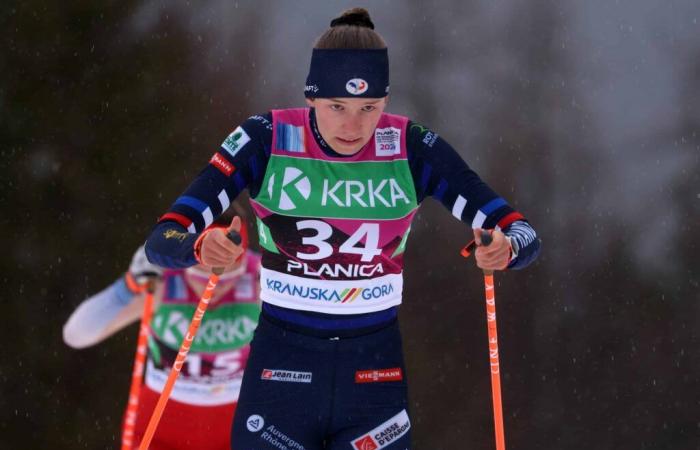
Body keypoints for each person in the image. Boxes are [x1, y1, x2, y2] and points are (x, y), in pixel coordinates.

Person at [144, 7, 541, 449]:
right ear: (311, 97)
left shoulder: (411, 147)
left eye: (368, 108)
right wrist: (201, 245)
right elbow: (163, 239)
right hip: (282, 370)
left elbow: (521, 231)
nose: (353, 126)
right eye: (338, 106)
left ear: (385, 102)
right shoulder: (266, 138)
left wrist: (507, 249)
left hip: (373, 374)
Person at [63, 219, 261, 450]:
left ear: (243, 259)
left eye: (225, 277)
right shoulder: (163, 279)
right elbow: (76, 335)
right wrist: (127, 287)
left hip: (238, 428)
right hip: (160, 427)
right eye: (199, 275)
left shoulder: (260, 278)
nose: (212, 289)